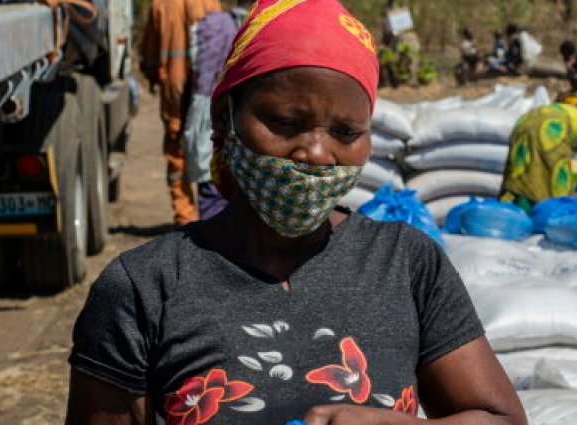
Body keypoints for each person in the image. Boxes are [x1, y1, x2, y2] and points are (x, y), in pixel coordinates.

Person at [65, 1, 527, 424]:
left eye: (346, 133)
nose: (316, 154)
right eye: (286, 123)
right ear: (226, 115)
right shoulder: (145, 287)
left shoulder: (405, 265)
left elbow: (500, 418)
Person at [140, 0, 221, 225]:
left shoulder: (160, 4)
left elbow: (150, 53)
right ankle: (212, 216)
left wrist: (151, 73)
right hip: (206, 89)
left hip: (174, 91)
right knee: (209, 147)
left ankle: (185, 217)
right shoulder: (209, 2)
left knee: (177, 154)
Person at [180, 3, 247, 220]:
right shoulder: (266, 27)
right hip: (239, 119)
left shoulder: (213, 25)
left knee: (211, 189)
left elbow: (197, 77)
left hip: (209, 112)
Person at [499, 93, 577, 212]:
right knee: (554, 175)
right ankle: (551, 213)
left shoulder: (557, 108)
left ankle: (510, 209)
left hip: (523, 122)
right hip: (549, 128)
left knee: (521, 169)